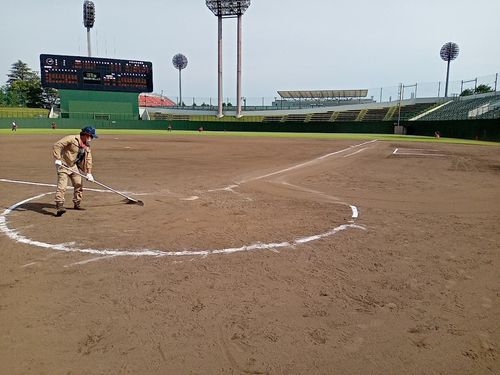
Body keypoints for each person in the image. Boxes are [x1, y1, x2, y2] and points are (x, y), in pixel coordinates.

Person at [52, 126, 98, 217]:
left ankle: (77, 203)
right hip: (64, 165)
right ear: (86, 135)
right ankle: (59, 205)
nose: (91, 139)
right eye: (91, 136)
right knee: (62, 186)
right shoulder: (72, 138)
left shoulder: (87, 145)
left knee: (78, 184)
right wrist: (57, 158)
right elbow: (57, 145)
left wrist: (89, 173)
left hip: (73, 166)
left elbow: (89, 159)